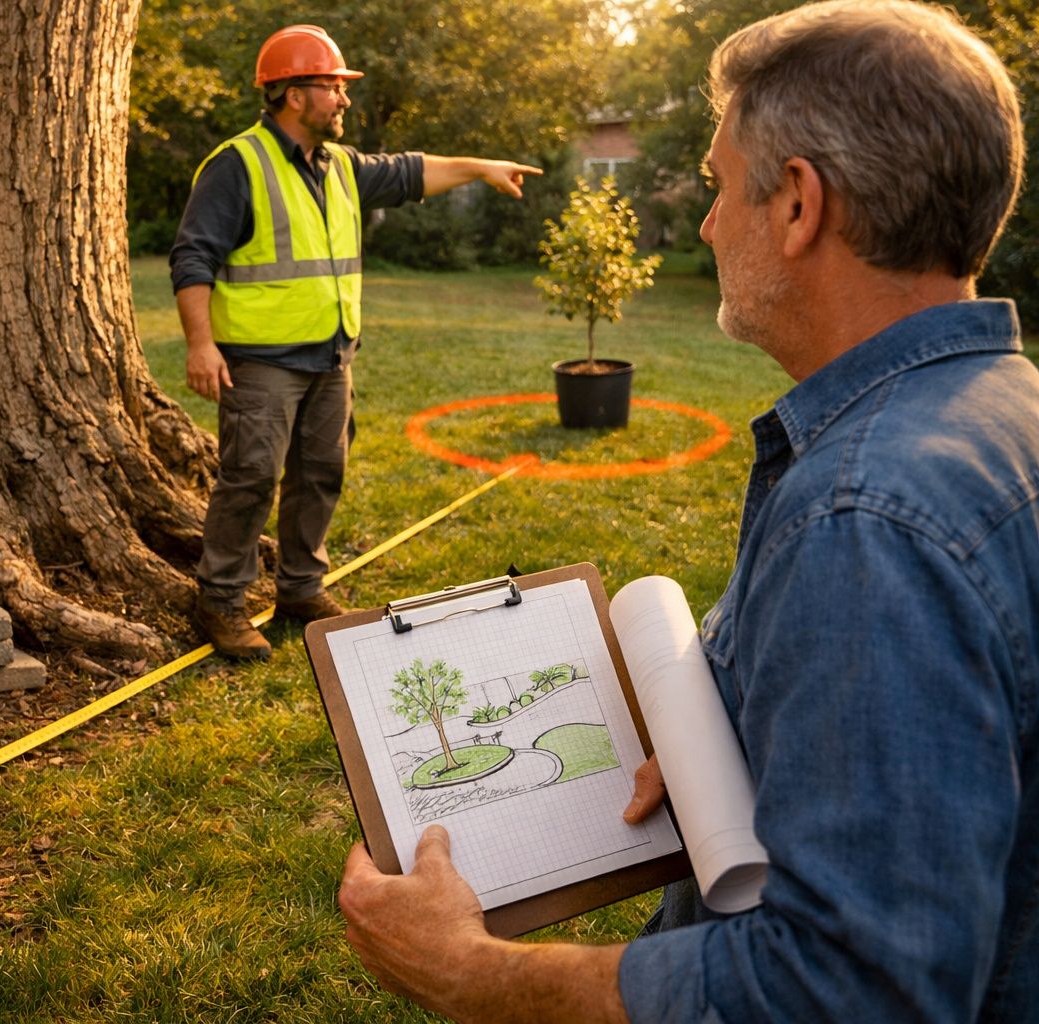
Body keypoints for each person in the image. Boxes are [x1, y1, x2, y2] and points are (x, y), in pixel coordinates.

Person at [337, 2, 1038, 1021]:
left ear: (797, 205)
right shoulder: (1006, 416)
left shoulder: (865, 520)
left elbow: (843, 996)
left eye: (716, 186)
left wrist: (475, 973)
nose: (708, 224)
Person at [171, 25, 542, 659]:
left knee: (321, 473)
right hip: (261, 362)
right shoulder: (239, 165)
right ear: (293, 94)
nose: (344, 100)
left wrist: (480, 168)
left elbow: (412, 172)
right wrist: (201, 345)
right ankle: (222, 602)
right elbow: (192, 256)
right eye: (333, 87)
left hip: (332, 356)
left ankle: (299, 589)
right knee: (251, 477)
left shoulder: (339, 166)